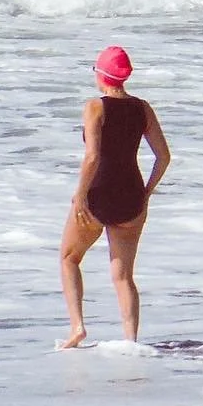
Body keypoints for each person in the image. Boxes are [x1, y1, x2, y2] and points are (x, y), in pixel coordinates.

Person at [58, 44, 171, 349]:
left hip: (98, 195)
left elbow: (93, 157)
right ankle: (131, 342)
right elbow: (163, 156)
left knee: (69, 258)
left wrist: (80, 195)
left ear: (101, 74)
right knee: (123, 277)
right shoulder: (142, 108)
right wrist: (146, 192)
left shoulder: (95, 107)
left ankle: (78, 328)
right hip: (131, 197)